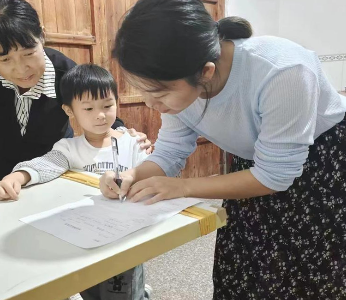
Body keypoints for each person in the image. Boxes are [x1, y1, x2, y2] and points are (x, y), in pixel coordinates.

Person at [100, 0, 346, 299]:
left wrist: (183, 187)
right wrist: (131, 174)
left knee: (307, 275)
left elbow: (276, 175)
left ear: (205, 72)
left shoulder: (283, 70)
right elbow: (169, 152)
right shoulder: (179, 80)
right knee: (244, 271)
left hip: (323, 166)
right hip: (254, 167)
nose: (151, 104)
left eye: (159, 93)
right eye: (144, 91)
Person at [0, 0, 150, 187]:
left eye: (28, 53)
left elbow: (96, 106)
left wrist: (125, 135)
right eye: (5, 60)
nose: (21, 69)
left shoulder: (65, 71)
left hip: (54, 171)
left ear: (41, 35)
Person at [0, 64, 152, 300]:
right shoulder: (69, 148)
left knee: (123, 290)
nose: (100, 114)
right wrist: (17, 176)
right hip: (83, 234)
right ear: (69, 110)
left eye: (108, 106)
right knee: (87, 285)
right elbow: (47, 164)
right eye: (88, 108)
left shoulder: (132, 143)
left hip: (123, 236)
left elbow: (153, 175)